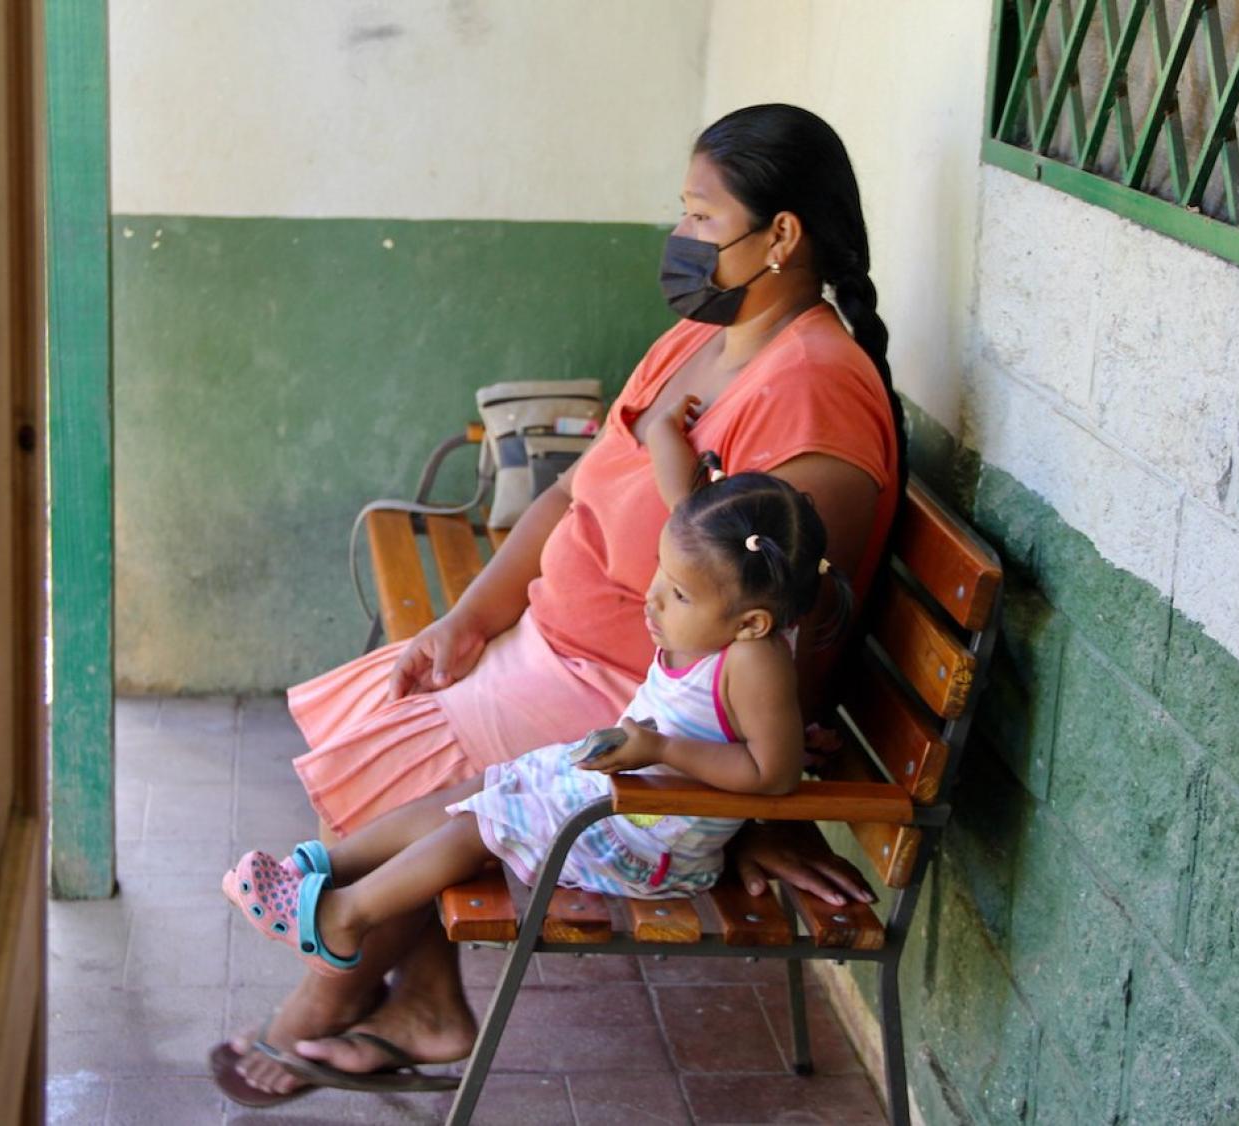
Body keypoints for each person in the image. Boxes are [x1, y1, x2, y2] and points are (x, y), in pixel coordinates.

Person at [211, 102, 907, 1104]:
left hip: (625, 691)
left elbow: (775, 636)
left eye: (701, 219)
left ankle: (326, 1001)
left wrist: (753, 806)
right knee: (392, 700)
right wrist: (469, 618)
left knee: (406, 768)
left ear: (782, 234)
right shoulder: (694, 340)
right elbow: (570, 495)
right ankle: (425, 1001)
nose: (682, 241)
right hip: (552, 641)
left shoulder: (813, 392)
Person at [225, 473, 850, 987]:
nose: (653, 600)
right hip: (627, 802)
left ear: (753, 623)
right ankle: (325, 866)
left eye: (679, 595)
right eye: (661, 575)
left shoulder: (754, 664)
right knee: (474, 788)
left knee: (480, 826)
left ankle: (343, 920)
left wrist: (660, 748)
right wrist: (660, 426)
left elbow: (773, 775)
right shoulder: (729, 625)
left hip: (653, 844)